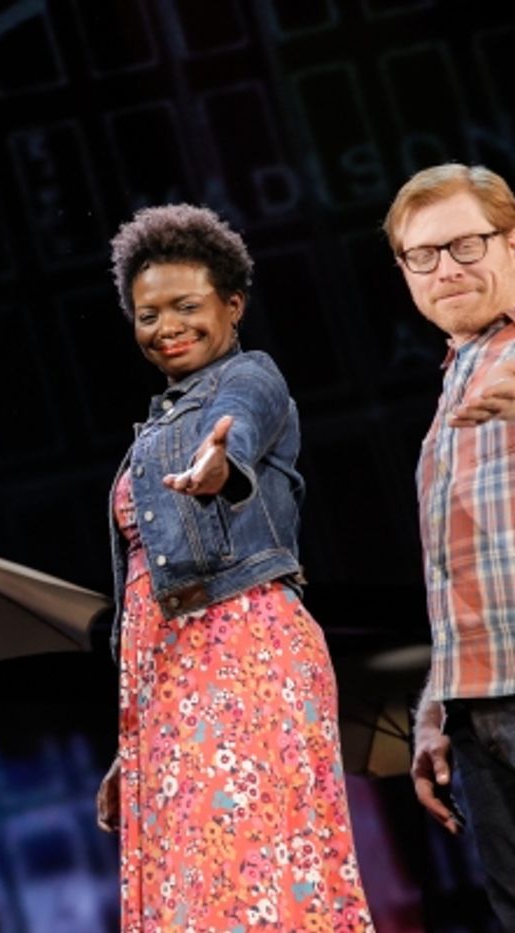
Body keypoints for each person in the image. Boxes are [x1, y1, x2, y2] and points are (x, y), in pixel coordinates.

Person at [94, 204, 372, 931]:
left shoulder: (251, 378)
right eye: (147, 313)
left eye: (187, 306)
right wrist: (134, 747)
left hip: (242, 651)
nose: (166, 326)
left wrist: (223, 464)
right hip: (167, 679)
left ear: (233, 304)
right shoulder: (157, 421)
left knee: (249, 870)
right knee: (197, 876)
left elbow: (239, 426)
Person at [386, 163, 515, 929]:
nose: (447, 270)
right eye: (423, 256)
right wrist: (436, 710)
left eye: (465, 245)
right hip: (481, 710)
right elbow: (462, 572)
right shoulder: (454, 381)